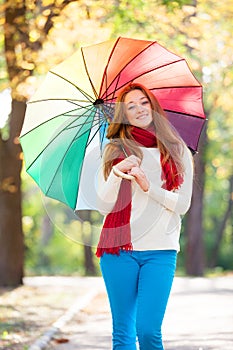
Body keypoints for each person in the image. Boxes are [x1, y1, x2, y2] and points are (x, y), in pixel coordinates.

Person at [95, 83, 194, 350]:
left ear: (154, 106)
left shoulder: (178, 150)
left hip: (160, 251)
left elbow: (182, 204)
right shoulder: (115, 150)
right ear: (123, 115)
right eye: (130, 106)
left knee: (148, 330)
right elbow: (105, 206)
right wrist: (117, 173)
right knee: (123, 333)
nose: (139, 109)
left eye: (143, 102)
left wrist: (150, 187)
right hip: (118, 251)